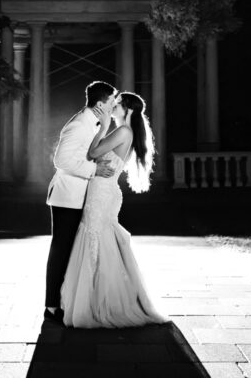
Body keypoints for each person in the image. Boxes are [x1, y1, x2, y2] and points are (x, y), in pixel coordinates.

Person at [60, 91, 168, 328]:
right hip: (104, 190)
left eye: (117, 105)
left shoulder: (122, 131)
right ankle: (100, 297)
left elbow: (93, 153)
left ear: (127, 110)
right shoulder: (127, 132)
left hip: (101, 192)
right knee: (98, 239)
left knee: (95, 238)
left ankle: (98, 301)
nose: (113, 107)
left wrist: (102, 126)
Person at [44, 80, 118, 323]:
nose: (113, 105)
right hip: (66, 196)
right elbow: (61, 160)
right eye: (111, 101)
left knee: (70, 249)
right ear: (100, 103)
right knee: (61, 249)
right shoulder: (78, 124)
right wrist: (94, 171)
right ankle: (52, 305)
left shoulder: (92, 123)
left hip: (79, 195)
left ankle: (64, 300)